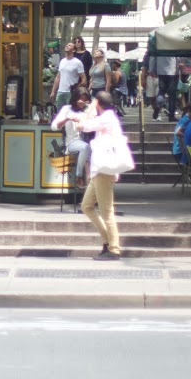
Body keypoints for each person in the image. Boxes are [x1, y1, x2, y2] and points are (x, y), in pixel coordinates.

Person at [78, 90, 128, 260]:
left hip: (103, 171)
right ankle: (107, 241)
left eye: (94, 102)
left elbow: (82, 125)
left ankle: (113, 249)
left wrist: (90, 109)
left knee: (107, 212)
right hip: (99, 171)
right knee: (86, 206)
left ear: (98, 103)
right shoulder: (107, 118)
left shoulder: (107, 118)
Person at [50, 87, 93, 192]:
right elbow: (54, 127)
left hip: (88, 143)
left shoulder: (89, 110)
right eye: (80, 98)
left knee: (90, 165)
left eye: (84, 99)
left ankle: (91, 198)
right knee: (86, 148)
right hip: (73, 142)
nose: (81, 101)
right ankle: (78, 176)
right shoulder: (67, 109)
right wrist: (68, 118)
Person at [53, 43, 86, 107]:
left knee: (70, 112)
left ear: (73, 50)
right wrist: (53, 91)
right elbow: (58, 77)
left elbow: (84, 79)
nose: (67, 46)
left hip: (70, 93)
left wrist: (77, 88)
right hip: (60, 92)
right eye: (67, 45)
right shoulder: (62, 61)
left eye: (69, 45)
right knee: (58, 113)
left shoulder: (77, 63)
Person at [151, 53, 179, 120]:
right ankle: (171, 116)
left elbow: (152, 57)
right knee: (172, 95)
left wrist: (152, 69)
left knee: (161, 91)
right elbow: (178, 57)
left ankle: (158, 105)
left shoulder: (159, 43)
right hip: (173, 71)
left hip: (161, 71)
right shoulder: (174, 43)